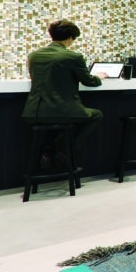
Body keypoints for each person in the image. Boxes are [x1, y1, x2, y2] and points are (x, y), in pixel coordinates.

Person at [22, 19, 107, 165]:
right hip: (62, 111)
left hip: (33, 112)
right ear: (70, 38)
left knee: (57, 125)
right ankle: (63, 151)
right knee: (97, 115)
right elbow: (89, 81)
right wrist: (98, 76)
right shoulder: (73, 57)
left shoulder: (33, 56)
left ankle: (48, 151)